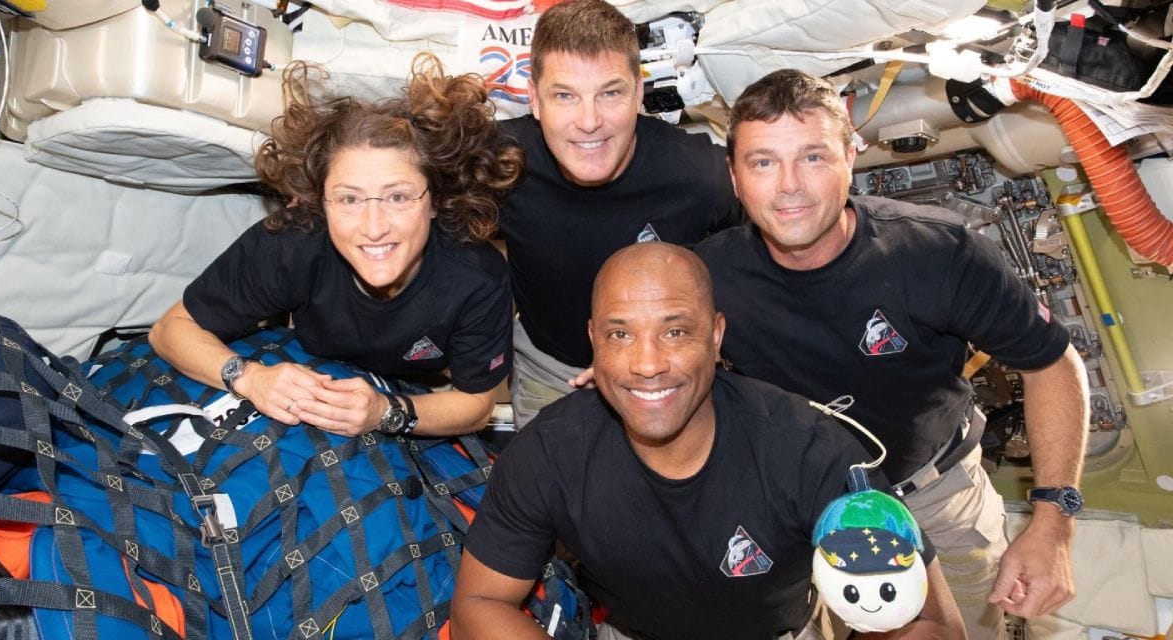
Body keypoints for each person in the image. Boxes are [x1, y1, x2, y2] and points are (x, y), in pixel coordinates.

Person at [694, 68, 1089, 639]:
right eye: (762, 163)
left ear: (850, 156)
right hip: (799, 504)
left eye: (812, 157)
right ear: (735, 178)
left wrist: (1053, 522)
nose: (789, 186)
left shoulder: (939, 253)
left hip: (936, 494)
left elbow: (1051, 363)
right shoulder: (706, 276)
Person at [452, 242, 964, 640]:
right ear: (594, 341)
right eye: (620, 335)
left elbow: (931, 623)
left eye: (675, 332)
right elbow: (480, 602)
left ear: (716, 337)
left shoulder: (809, 451)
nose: (647, 364)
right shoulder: (549, 452)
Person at [149, 54, 523, 437]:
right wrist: (249, 378)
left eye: (397, 197)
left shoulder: (477, 277)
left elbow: (476, 405)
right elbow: (170, 329)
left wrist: (386, 412)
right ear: (321, 204)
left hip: (415, 393)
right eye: (348, 199)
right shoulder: (293, 241)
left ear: (435, 202)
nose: (373, 228)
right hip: (306, 370)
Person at [498, 0, 742, 428]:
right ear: (534, 100)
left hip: (663, 371)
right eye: (564, 96)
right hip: (551, 371)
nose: (589, 121)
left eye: (610, 93)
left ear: (638, 95)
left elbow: (765, 255)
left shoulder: (699, 175)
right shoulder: (498, 163)